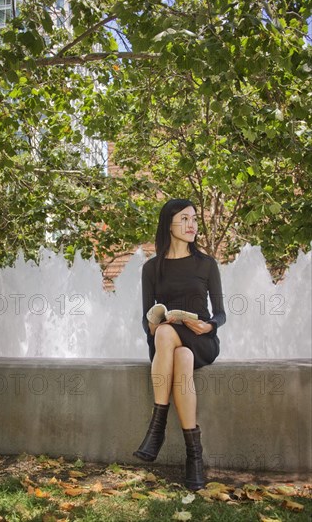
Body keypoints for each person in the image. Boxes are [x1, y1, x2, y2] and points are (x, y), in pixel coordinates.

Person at [133, 198, 226, 490]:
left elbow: (221, 313)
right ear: (168, 224)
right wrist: (155, 320)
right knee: (177, 352)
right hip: (170, 346)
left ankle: (157, 427)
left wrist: (208, 324)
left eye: (194, 219)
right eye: (185, 219)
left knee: (168, 337)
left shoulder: (207, 264)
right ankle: (194, 457)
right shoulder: (151, 269)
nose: (192, 225)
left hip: (201, 338)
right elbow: (147, 320)